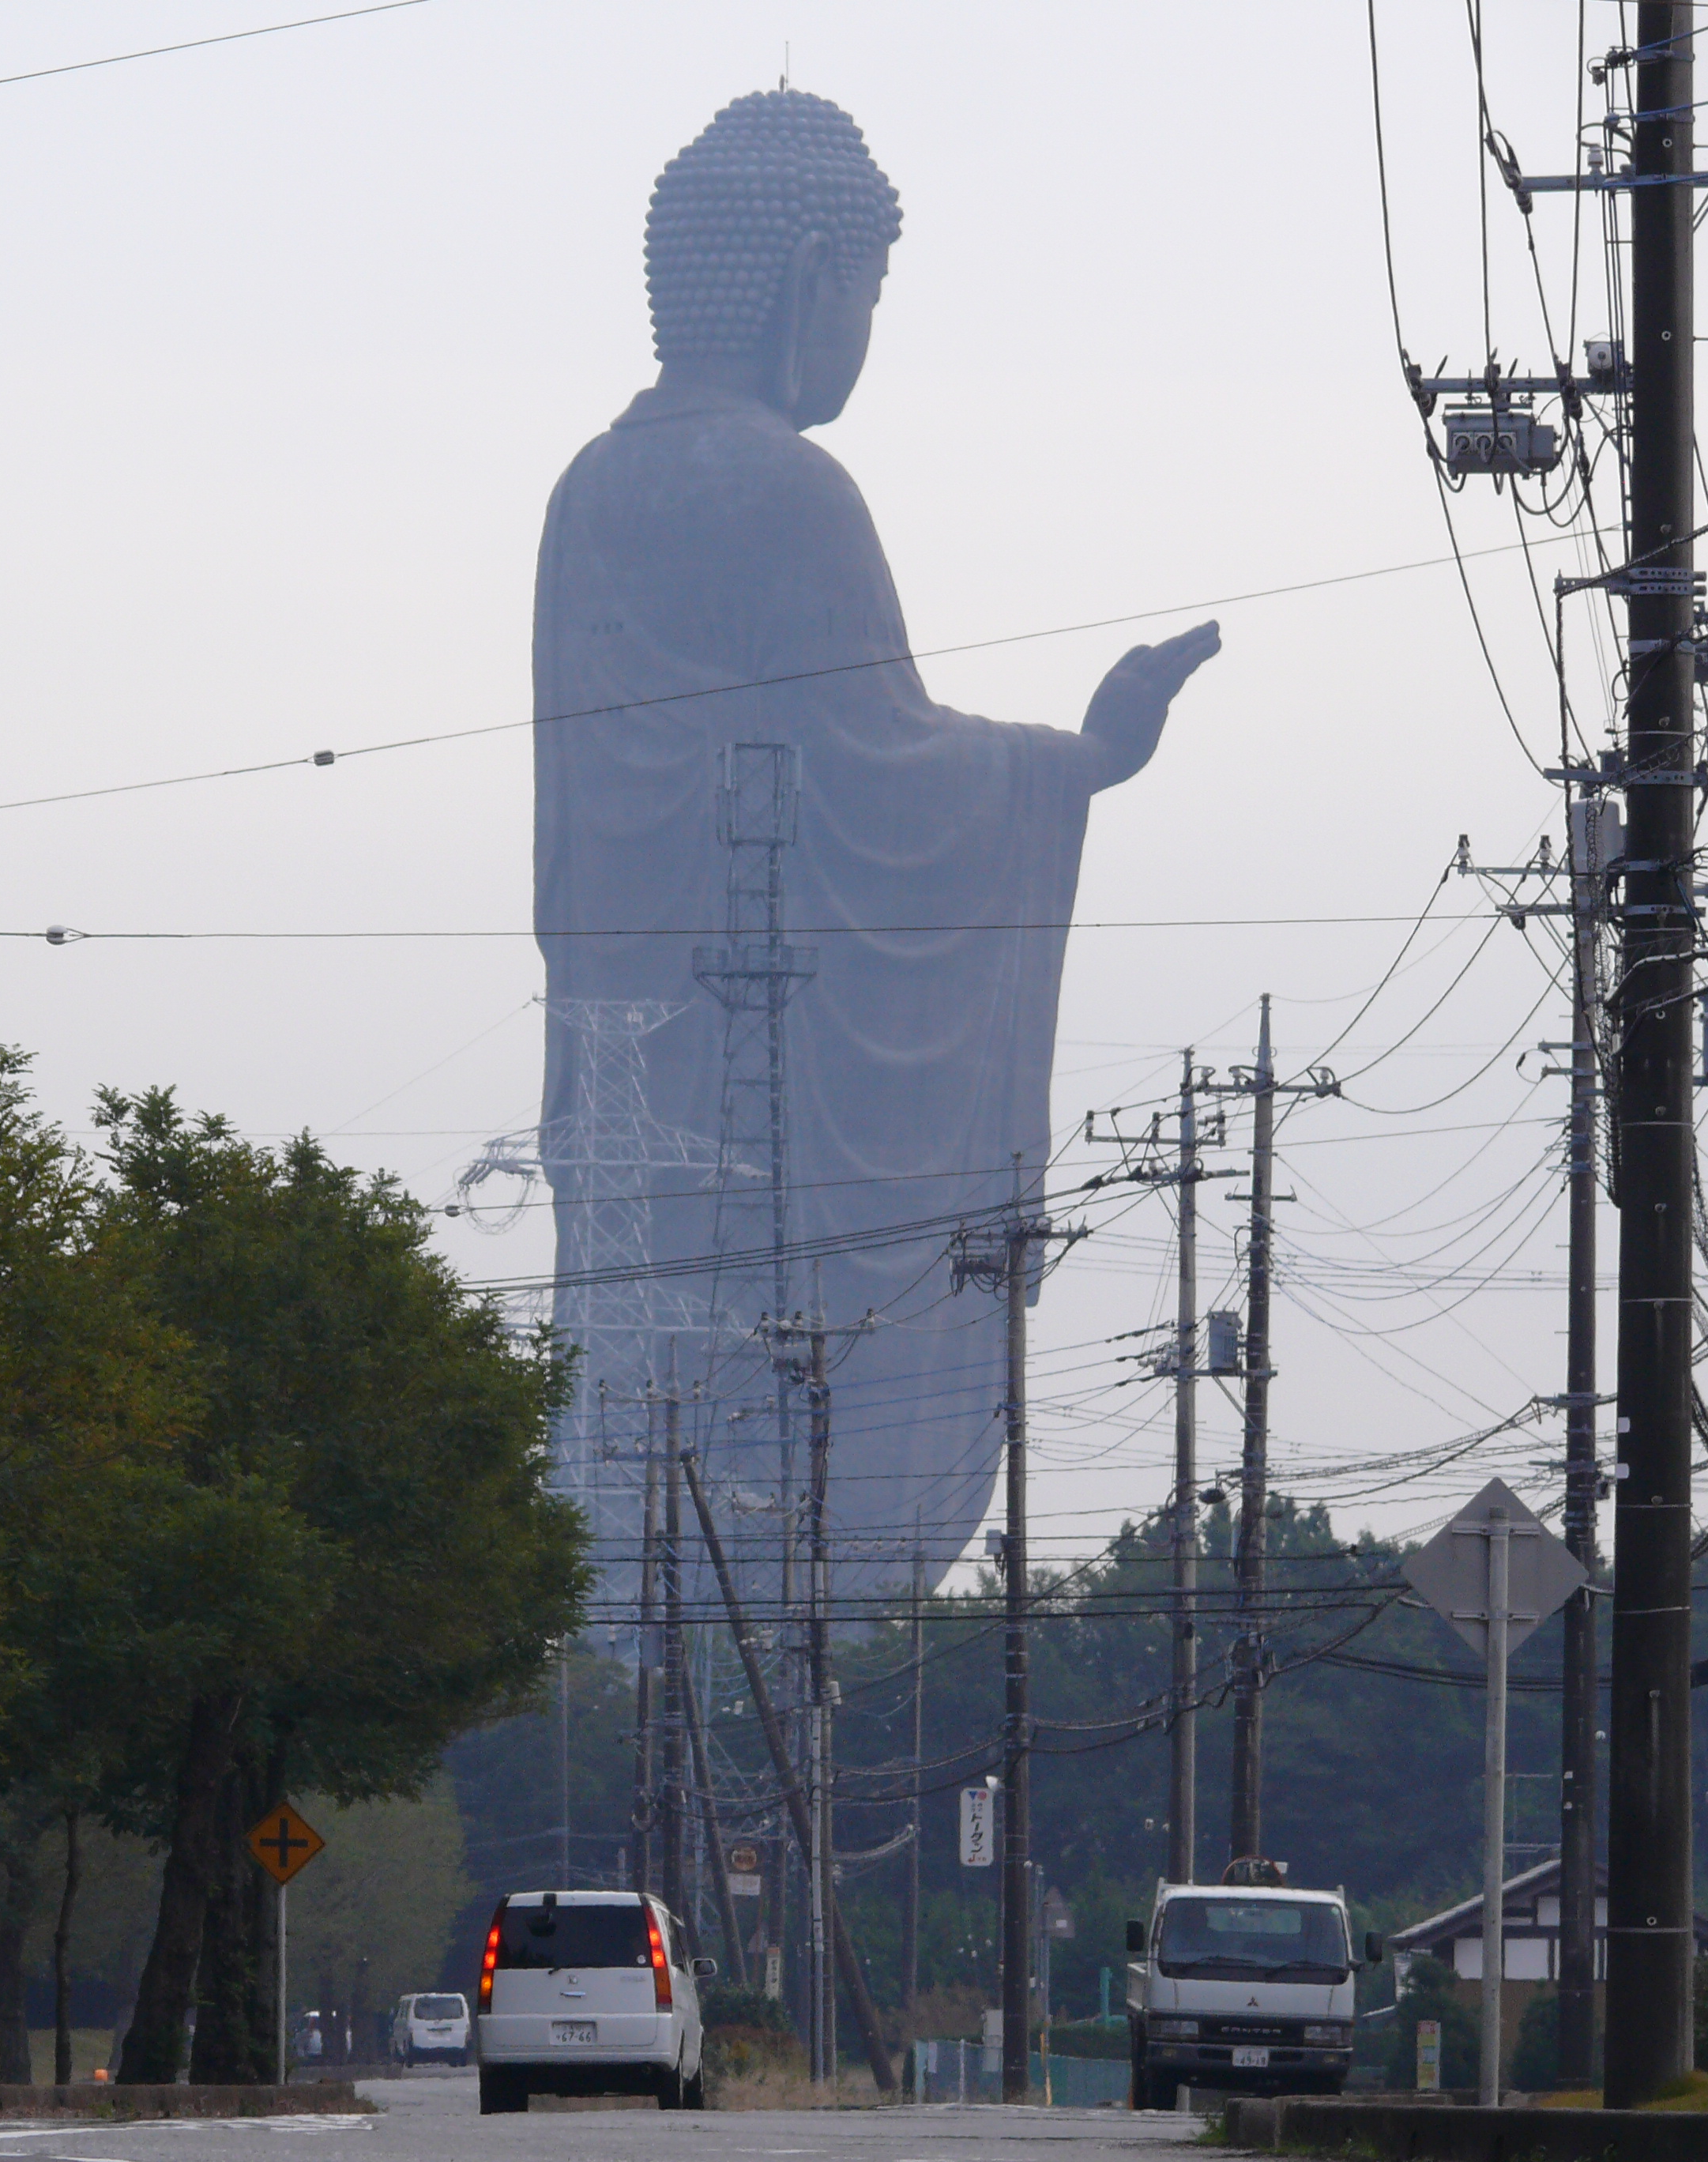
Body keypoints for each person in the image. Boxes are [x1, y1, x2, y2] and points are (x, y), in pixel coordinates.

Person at [532, 89, 1219, 1591]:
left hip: (631, 1070)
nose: (864, 325)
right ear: (807, 277)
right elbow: (881, 770)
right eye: (866, 289)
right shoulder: (782, 486)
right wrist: (1079, 764)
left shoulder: (589, 485)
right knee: (776, 1436)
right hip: (742, 1067)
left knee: (658, 1441)